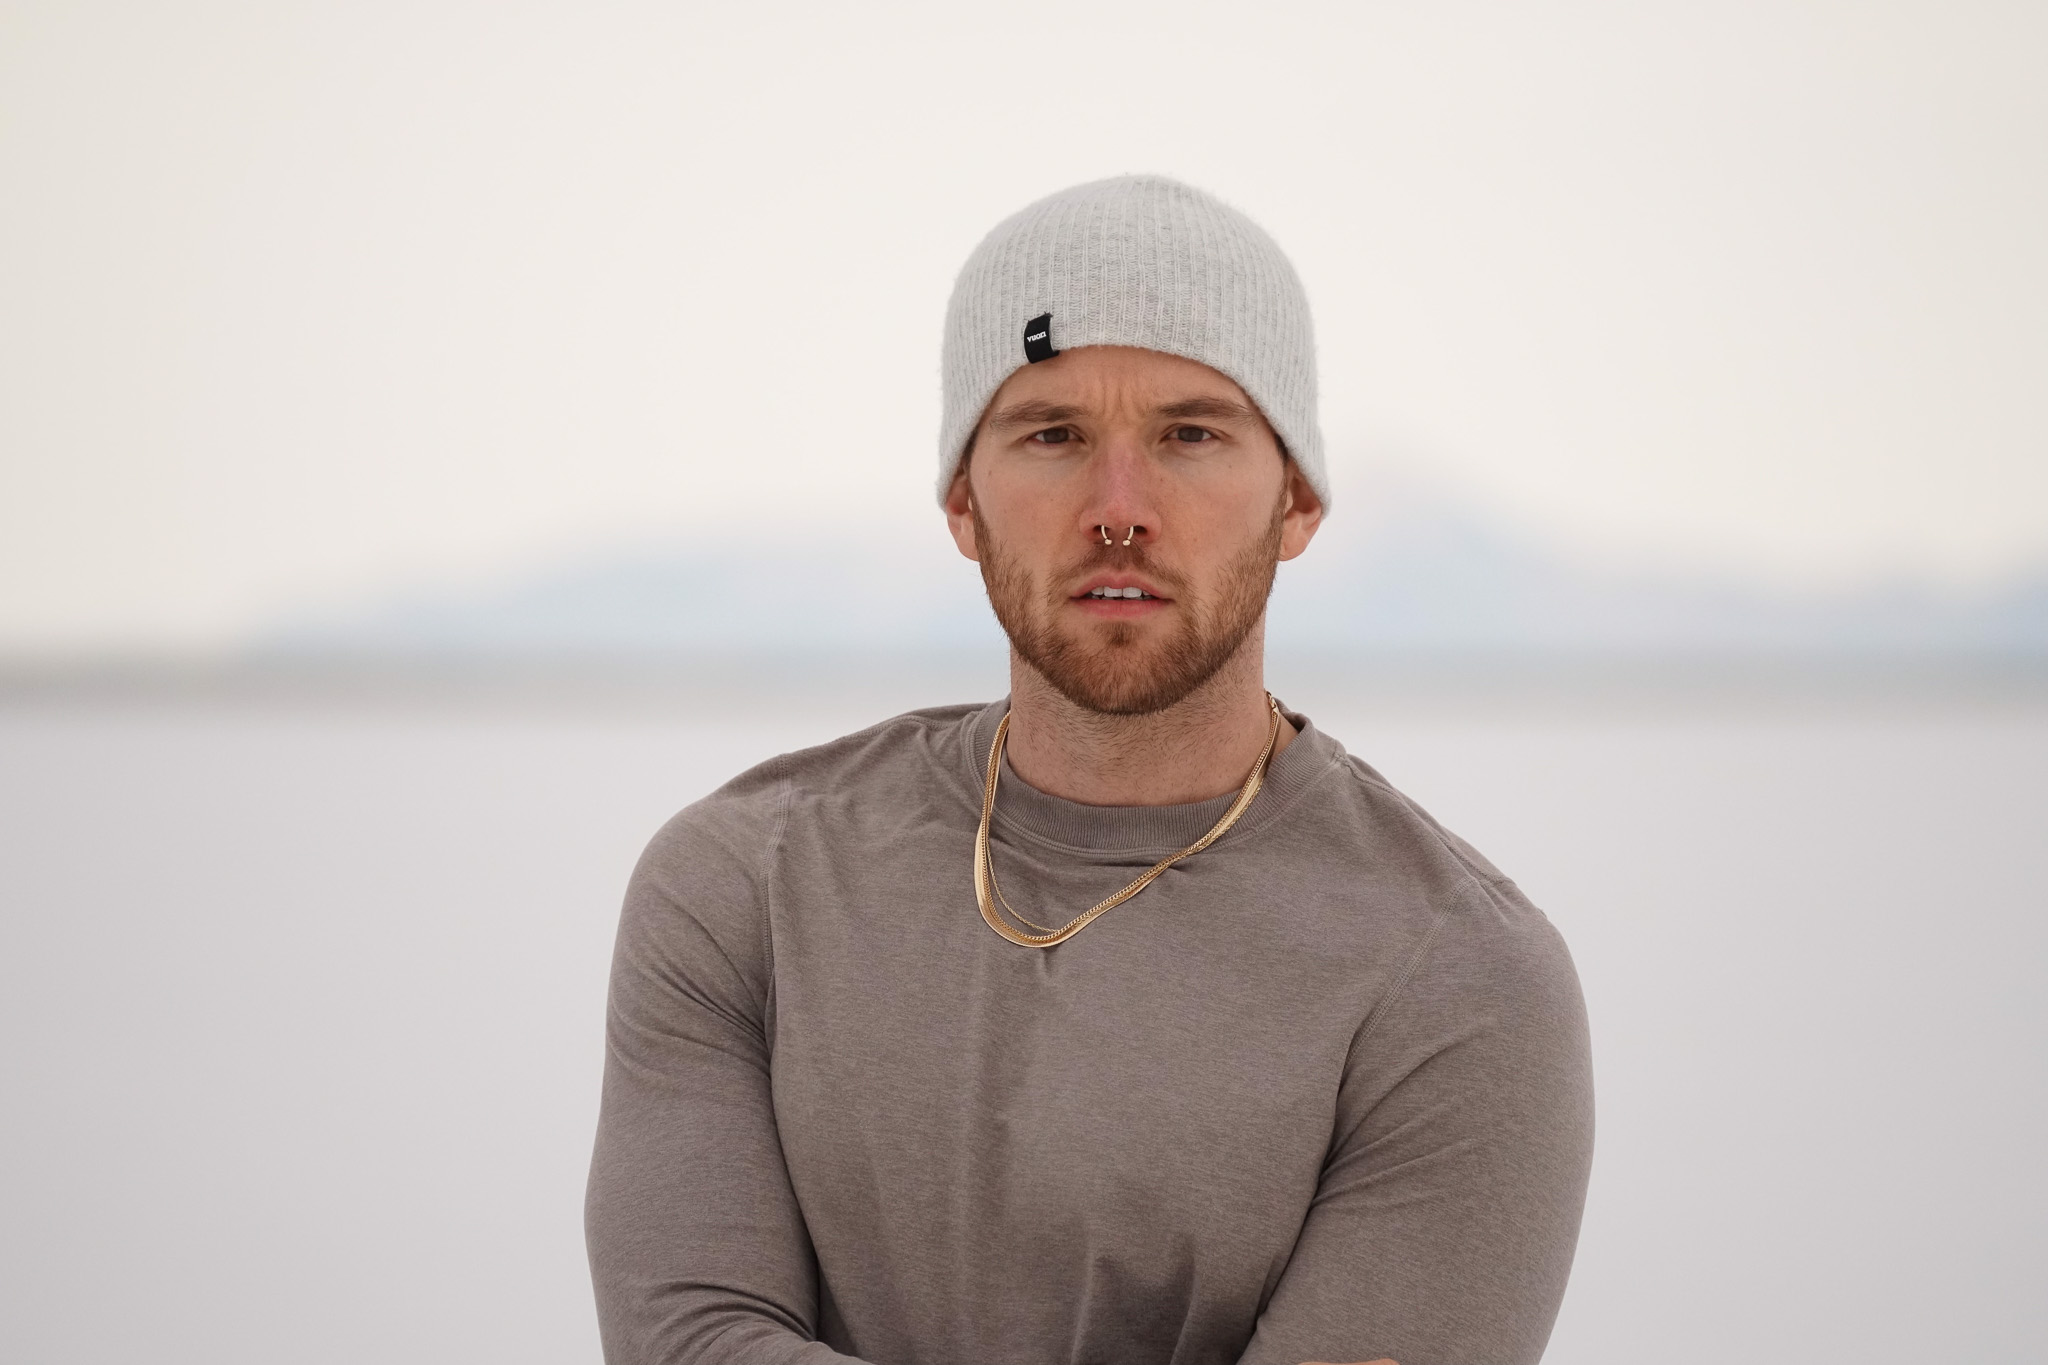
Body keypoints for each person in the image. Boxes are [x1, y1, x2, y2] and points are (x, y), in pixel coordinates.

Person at [585, 175, 1594, 1365]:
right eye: (1052, 435)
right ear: (964, 500)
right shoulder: (748, 881)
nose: (1120, 510)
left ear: (1298, 500)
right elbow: (687, 1340)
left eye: (1190, 434)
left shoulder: (1456, 979)